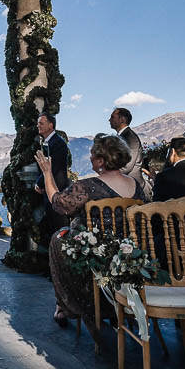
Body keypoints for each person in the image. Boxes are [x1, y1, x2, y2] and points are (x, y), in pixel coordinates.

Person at [37, 133, 146, 329]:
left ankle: (64, 306)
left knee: (58, 238)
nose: (90, 158)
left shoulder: (87, 187)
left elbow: (58, 204)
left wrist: (47, 173)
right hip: (126, 259)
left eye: (93, 155)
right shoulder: (136, 186)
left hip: (95, 261)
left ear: (102, 161)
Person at [33, 113, 71, 243]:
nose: (38, 125)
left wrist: (39, 184)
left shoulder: (58, 143)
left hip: (56, 189)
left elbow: (53, 168)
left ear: (51, 125)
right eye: (38, 123)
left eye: (41, 123)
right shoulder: (49, 142)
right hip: (49, 188)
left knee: (57, 226)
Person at [109, 107, 145, 191]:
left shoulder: (131, 138)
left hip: (132, 188)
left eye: (112, 117)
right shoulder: (121, 137)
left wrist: (107, 176)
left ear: (122, 120)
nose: (109, 120)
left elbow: (126, 166)